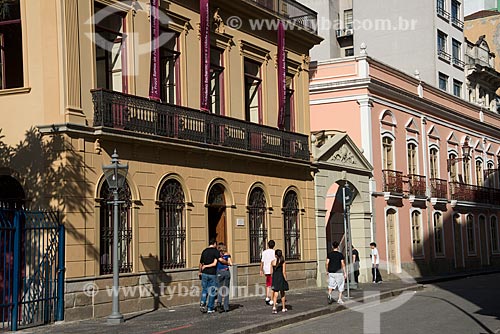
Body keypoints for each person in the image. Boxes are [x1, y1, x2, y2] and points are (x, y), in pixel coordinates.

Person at [199, 238, 222, 314]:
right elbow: (217, 262)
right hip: (212, 273)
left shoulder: (204, 251)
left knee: (205, 289)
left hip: (204, 273)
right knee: (212, 291)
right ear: (215, 244)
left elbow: (200, 263)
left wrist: (200, 271)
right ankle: (210, 308)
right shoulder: (216, 251)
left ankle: (202, 303)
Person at [270, 249, 288, 313]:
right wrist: (286, 279)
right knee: (282, 293)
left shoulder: (272, 262)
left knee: (275, 293)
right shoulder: (283, 262)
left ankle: (274, 307)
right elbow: (284, 272)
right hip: (281, 277)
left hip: (275, 277)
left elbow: (271, 272)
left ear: (275, 255)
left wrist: (273, 278)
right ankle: (283, 308)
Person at [216, 243, 232, 313]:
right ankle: (226, 306)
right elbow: (231, 263)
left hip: (219, 272)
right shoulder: (227, 254)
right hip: (226, 272)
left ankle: (219, 303)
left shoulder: (217, 255)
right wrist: (227, 263)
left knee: (220, 288)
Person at [260, 240, 276, 305]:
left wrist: (261, 270)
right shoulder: (274, 252)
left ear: (268, 245)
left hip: (266, 269)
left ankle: (267, 297)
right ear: (273, 245)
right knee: (272, 285)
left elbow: (262, 261)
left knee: (268, 284)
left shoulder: (264, 252)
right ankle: (272, 299)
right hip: (272, 270)